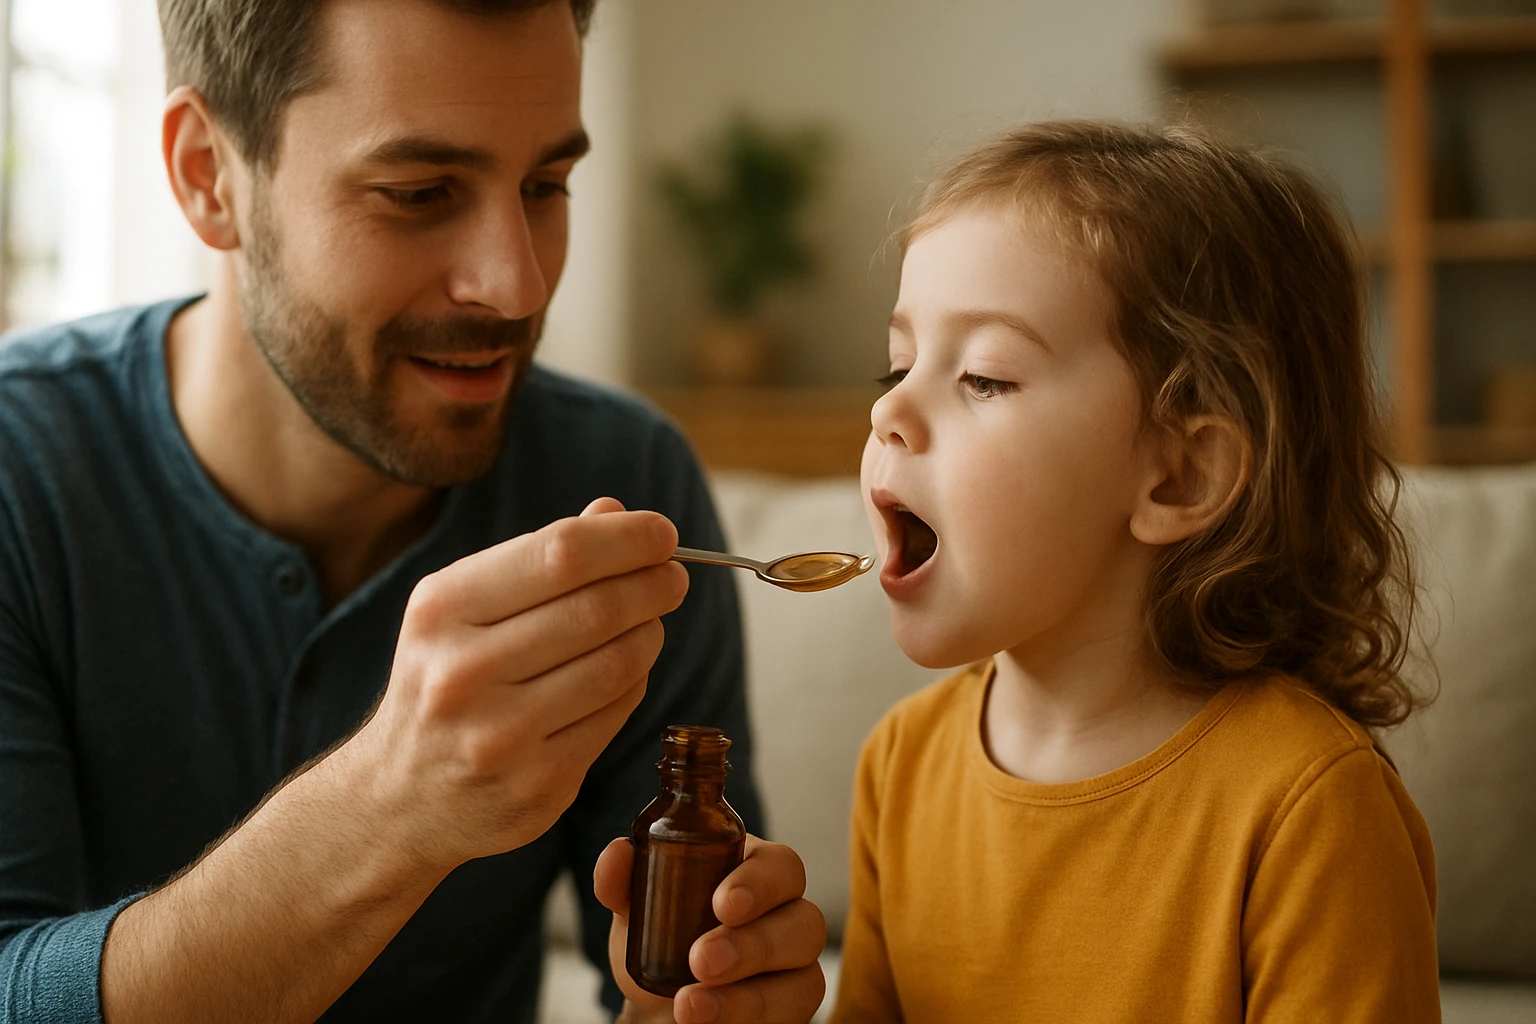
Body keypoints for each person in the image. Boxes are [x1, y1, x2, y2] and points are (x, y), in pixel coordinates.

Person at [0, 1, 826, 1022]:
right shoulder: (19, 473)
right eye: (419, 192)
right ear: (209, 174)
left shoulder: (623, 474)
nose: (516, 284)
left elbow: (661, 976)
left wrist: (701, 1000)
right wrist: (390, 804)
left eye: (546, 185)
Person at [835, 121, 1440, 1022]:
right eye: (899, 362)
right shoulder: (900, 765)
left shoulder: (1312, 810)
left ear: (1181, 474)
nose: (889, 408)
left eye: (985, 377)